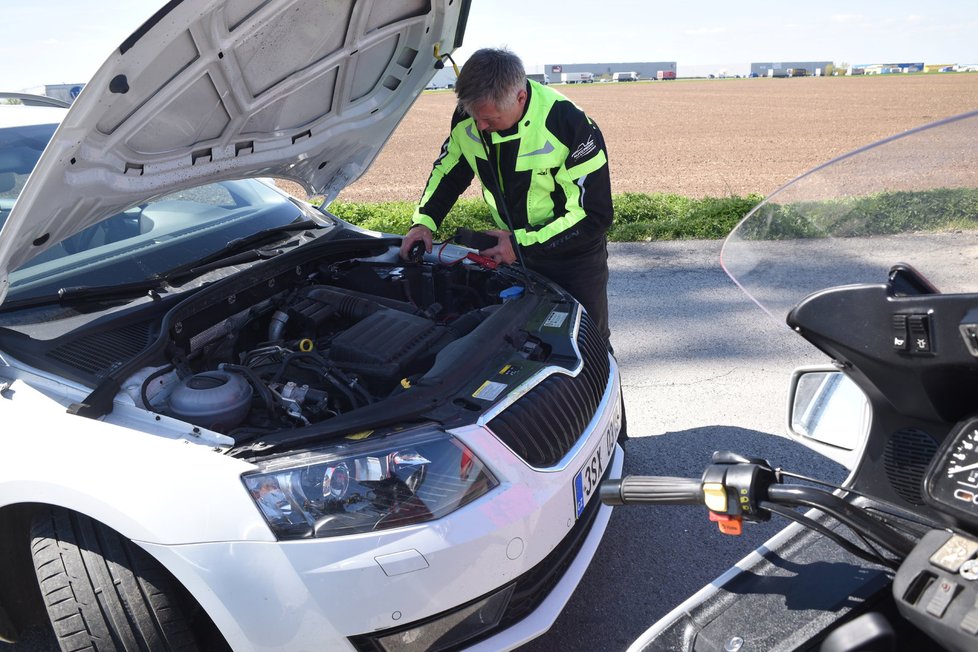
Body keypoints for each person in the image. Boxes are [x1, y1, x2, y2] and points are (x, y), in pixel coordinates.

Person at [399, 48, 614, 340]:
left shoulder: (568, 125)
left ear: (520, 97)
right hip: (509, 248)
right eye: (474, 116)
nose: (480, 127)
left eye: (490, 119)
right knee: (518, 339)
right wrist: (424, 221)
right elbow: (450, 171)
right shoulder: (471, 115)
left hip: (571, 256)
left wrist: (520, 245)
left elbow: (594, 216)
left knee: (587, 342)